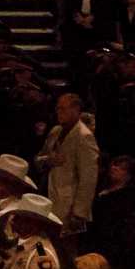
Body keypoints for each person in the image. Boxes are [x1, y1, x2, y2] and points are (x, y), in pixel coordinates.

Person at [36, 93, 99, 235]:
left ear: (76, 110)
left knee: (63, 245)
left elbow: (88, 178)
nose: (59, 112)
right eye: (57, 109)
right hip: (47, 195)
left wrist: (79, 213)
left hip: (68, 206)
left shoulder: (84, 136)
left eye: (62, 109)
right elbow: (38, 159)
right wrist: (48, 160)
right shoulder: (55, 131)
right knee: (42, 240)